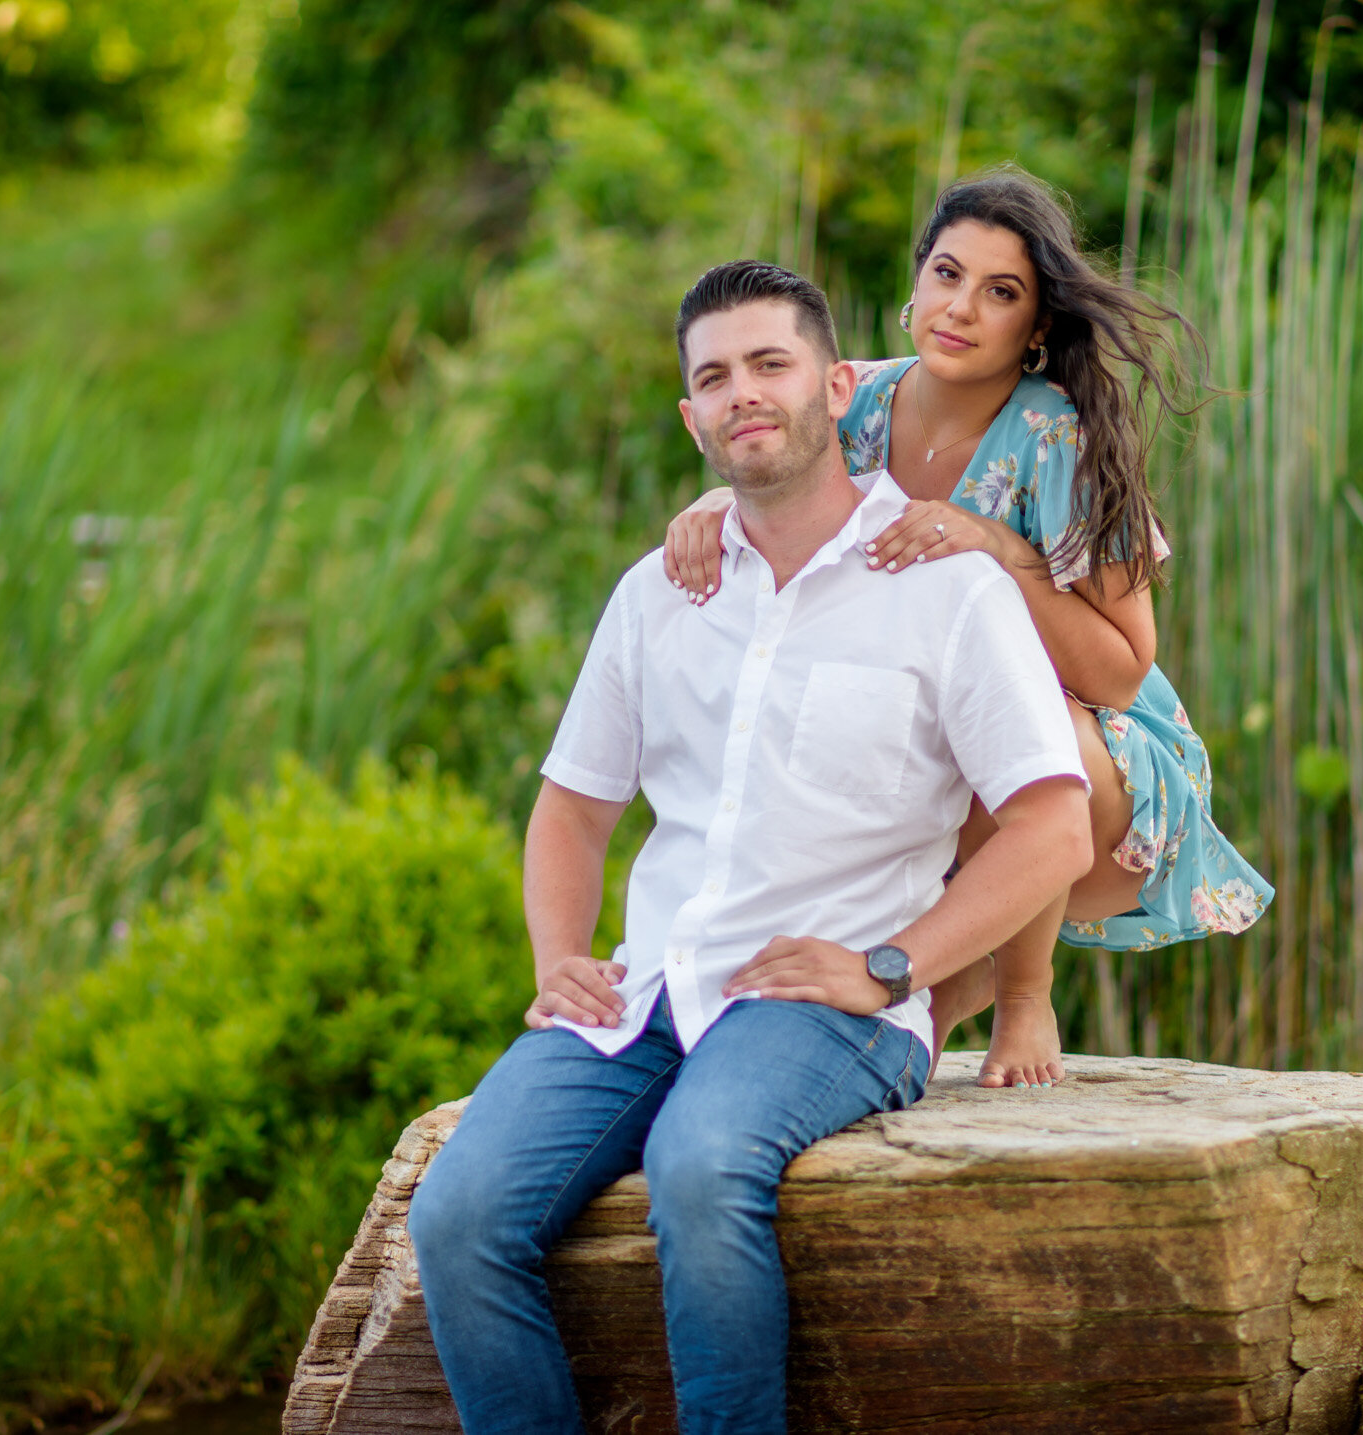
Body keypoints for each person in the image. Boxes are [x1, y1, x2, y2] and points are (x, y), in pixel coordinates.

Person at [406, 259, 1095, 1435]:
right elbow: (572, 807)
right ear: (691, 418)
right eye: (713, 377)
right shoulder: (657, 591)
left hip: (823, 1006)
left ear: (835, 387)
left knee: (699, 1162)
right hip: (652, 987)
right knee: (457, 1211)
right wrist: (557, 954)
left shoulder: (942, 588)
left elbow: (1053, 823)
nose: (743, 394)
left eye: (769, 364)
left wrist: (891, 965)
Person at [661, 168, 1274, 1091]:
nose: (961, 308)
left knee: (1016, 718)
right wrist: (714, 499)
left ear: (1035, 328)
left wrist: (996, 546)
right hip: (925, 747)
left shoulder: (1057, 438)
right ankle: (903, 1005)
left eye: (1002, 293)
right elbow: (761, 453)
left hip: (1097, 766)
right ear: (914, 286)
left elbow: (1119, 673)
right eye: (947, 274)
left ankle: (1026, 995)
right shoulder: (852, 401)